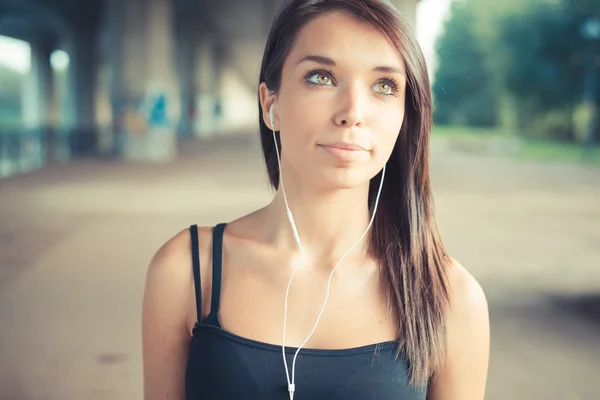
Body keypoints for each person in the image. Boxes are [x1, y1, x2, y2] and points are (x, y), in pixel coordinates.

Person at [141, 0, 490, 399]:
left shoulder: (450, 297)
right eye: (321, 77)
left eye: (384, 86)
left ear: (405, 116)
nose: (353, 113)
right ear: (271, 104)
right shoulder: (187, 270)